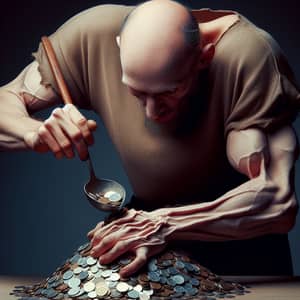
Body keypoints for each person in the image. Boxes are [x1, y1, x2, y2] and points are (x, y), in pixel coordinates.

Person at [0, 0, 299, 276]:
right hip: (145, 242)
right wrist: (34, 133)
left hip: (243, 251)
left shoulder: (249, 56)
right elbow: (7, 98)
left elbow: (278, 202)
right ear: (118, 49)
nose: (153, 112)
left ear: (204, 57)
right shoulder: (92, 36)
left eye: (171, 90)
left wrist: (165, 223)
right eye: (137, 92)